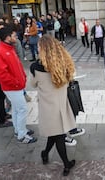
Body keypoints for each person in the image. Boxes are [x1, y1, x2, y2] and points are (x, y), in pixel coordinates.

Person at [30, 35, 76, 176]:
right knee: (58, 135)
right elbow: (70, 79)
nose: (37, 48)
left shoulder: (35, 67)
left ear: (43, 49)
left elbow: (32, 84)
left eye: (39, 46)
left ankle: (45, 153)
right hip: (61, 106)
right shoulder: (64, 64)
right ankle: (66, 164)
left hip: (48, 108)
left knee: (56, 134)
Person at [0, 26, 37, 144]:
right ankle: (22, 135)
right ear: (7, 37)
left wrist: (23, 76)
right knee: (21, 109)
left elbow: (17, 65)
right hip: (12, 87)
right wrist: (16, 82)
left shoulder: (9, 48)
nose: (16, 37)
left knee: (17, 109)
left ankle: (19, 130)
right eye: (14, 36)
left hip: (16, 86)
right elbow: (2, 74)